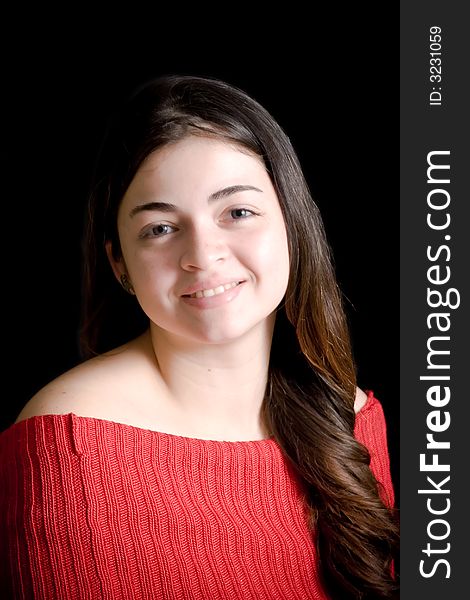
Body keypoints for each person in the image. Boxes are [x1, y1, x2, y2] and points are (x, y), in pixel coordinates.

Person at [0, 74, 398, 599]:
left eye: (238, 212)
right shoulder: (69, 449)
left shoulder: (346, 411)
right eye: (161, 228)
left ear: (291, 224)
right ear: (119, 261)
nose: (203, 255)